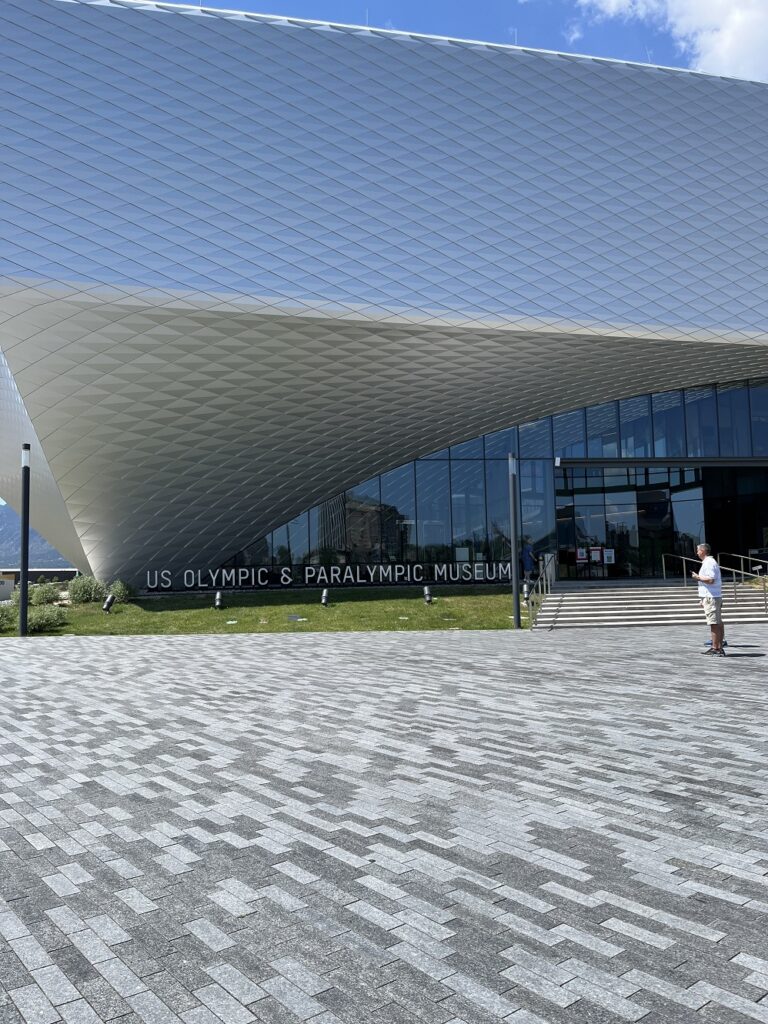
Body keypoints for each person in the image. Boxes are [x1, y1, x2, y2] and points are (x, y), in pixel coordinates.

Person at [691, 543, 724, 656]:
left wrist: (697, 577)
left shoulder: (709, 563)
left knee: (714, 623)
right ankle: (718, 647)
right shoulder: (709, 562)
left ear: (703, 551)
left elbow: (710, 580)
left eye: (698, 550)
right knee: (717, 622)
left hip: (711, 597)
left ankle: (716, 648)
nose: (697, 553)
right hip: (712, 596)